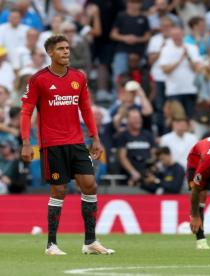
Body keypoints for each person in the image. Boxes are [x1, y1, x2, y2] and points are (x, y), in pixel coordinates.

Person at [20, 34, 114, 255]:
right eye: (61, 49)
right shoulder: (38, 79)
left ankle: (90, 242)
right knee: (59, 190)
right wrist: (26, 142)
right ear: (50, 52)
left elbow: (86, 109)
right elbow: (26, 112)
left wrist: (95, 138)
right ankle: (51, 244)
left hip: (76, 141)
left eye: (67, 48)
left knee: (90, 184)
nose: (66, 52)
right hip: (51, 144)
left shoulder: (78, 77)